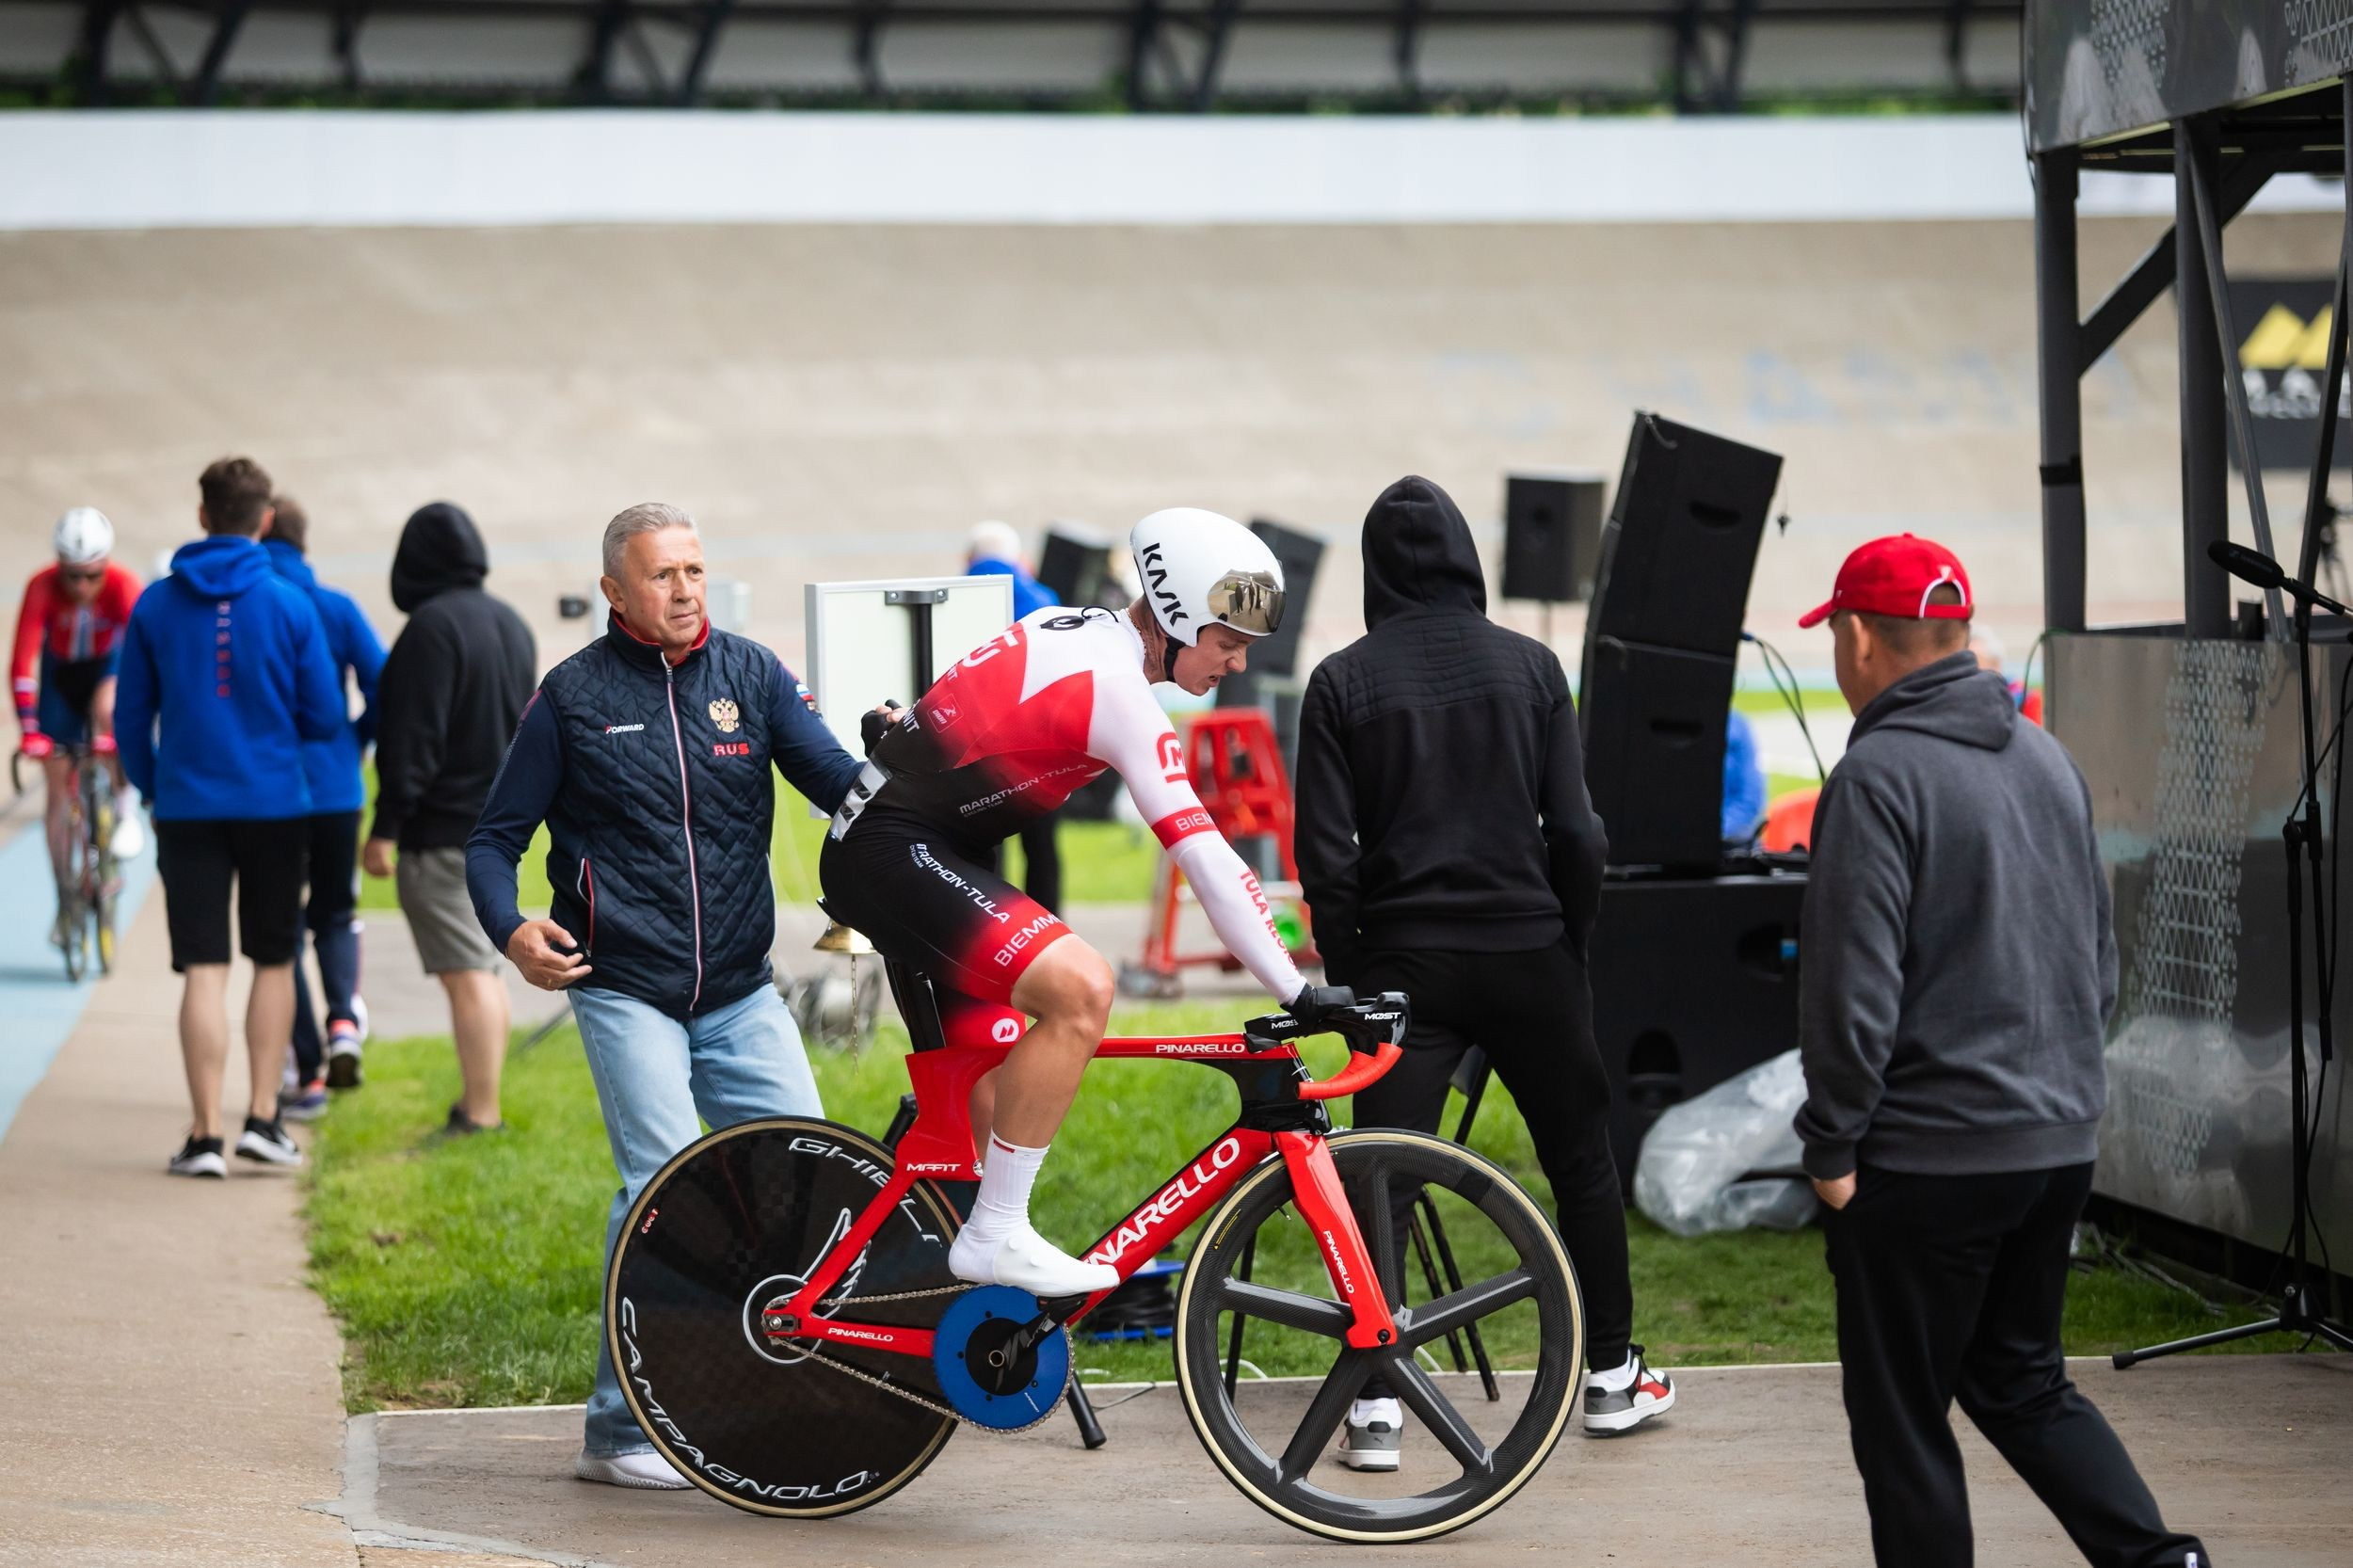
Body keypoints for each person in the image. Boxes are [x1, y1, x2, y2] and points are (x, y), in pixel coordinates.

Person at [1794, 534, 2209, 1568]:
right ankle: (2165, 1563)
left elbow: (1850, 991)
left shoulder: (1877, 775)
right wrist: (2061, 1096)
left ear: (1859, 638)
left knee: (1903, 1418)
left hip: (1929, 1155)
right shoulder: (2045, 756)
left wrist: (1832, 1147)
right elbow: (2100, 960)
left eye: (1837, 635)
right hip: (2055, 1144)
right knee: (2022, 1380)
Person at [824, 506, 1340, 1302]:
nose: (1237, 663)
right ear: (1176, 618)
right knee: (1082, 989)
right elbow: (1204, 856)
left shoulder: (1078, 630)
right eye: (1227, 642)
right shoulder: (1117, 690)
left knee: (989, 1117)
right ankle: (995, 1237)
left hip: (916, 849)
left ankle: (977, 1319)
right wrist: (1297, 991)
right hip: (898, 855)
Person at [466, 502, 861, 1490]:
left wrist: (923, 789)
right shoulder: (571, 698)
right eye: (661, 575)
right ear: (614, 590)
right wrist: (511, 930)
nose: (684, 590)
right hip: (623, 985)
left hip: (739, 989)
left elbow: (836, 781)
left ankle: (782, 1381)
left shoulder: (752, 676)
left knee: (805, 1175)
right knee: (664, 1189)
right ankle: (618, 1432)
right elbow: (494, 840)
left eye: (693, 569)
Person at [1293, 474, 1672, 1469]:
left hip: (1404, 966)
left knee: (1381, 1178)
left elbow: (1326, 861)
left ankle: (1376, 1405)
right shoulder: (1532, 665)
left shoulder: (1339, 682)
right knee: (1581, 1164)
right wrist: (1567, 940)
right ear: (1467, 557)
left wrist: (1356, 983)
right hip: (1528, 950)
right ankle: (1611, 1375)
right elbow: (1579, 833)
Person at [114, 456, 343, 1178]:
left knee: (204, 968)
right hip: (274, 804)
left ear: (202, 515)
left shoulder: (155, 605)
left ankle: (206, 1134)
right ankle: (265, 1121)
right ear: (265, 521)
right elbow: (324, 716)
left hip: (187, 807)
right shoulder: (290, 604)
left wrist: (156, 787)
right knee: (273, 960)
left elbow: (129, 720)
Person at [364, 503, 535, 1129]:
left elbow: (412, 741)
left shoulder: (431, 630)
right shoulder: (511, 623)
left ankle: (481, 1113)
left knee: (468, 975)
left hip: (442, 835)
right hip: (498, 831)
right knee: (483, 968)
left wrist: (386, 827)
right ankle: (477, 1102)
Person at [263, 495, 386, 1119]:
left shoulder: (253, 605)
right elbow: (384, 681)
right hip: (336, 787)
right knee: (335, 915)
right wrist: (354, 738)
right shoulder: (336, 606)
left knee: (280, 933)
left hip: (271, 794)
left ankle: (306, 1075)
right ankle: (343, 1024)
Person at [12, 506, 145, 930]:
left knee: (108, 709)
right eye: (72, 576)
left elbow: (145, 657)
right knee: (57, 789)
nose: (83, 586)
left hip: (107, 668)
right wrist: (30, 731)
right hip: (62, 676)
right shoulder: (41, 585)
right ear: (59, 567)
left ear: (106, 565)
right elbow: (22, 662)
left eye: (92, 575)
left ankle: (123, 810)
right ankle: (65, 894)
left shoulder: (124, 585)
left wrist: (129, 727)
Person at [965, 520, 1065, 911]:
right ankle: (1050, 928)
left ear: (969, 558)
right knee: (1041, 846)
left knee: (985, 845)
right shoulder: (1045, 600)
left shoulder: (956, 597)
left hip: (978, 745)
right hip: (1041, 744)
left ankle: (991, 923)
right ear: (1021, 560)